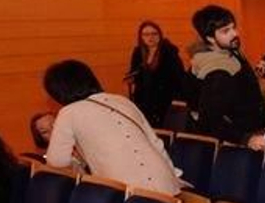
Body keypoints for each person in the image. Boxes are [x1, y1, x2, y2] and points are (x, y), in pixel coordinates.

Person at [42, 59, 181, 193]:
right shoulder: (122, 101)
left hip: (124, 189)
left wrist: (79, 161)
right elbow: (156, 142)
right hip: (165, 181)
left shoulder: (68, 112)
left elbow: (57, 161)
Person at [188, 5, 265, 146]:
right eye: (226, 31)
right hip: (239, 144)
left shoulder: (230, 52)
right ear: (210, 38)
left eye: (233, 28)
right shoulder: (217, 72)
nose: (234, 34)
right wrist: (246, 139)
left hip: (251, 132)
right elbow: (210, 121)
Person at [125, 20, 186, 127]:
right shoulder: (138, 52)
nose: (150, 37)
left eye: (154, 34)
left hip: (165, 100)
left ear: (160, 35)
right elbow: (134, 72)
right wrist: (131, 77)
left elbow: (179, 76)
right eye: (146, 34)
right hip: (144, 100)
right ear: (141, 37)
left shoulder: (169, 51)